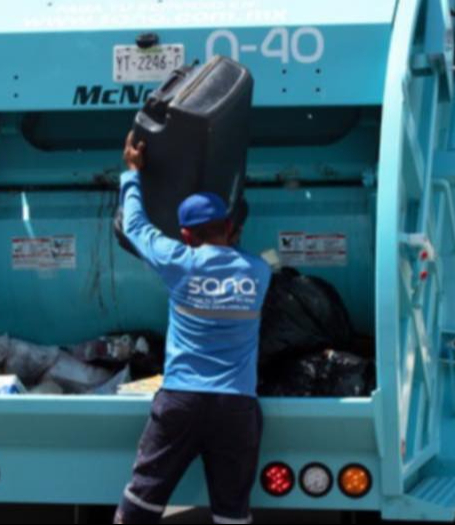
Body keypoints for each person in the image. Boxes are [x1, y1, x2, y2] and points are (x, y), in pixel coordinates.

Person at [115, 133, 271, 524]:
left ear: (186, 235)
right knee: (231, 513)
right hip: (236, 406)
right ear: (230, 227)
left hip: (181, 402)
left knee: (141, 503)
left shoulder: (179, 262)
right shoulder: (258, 272)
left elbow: (134, 226)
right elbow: (233, 255)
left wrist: (133, 172)